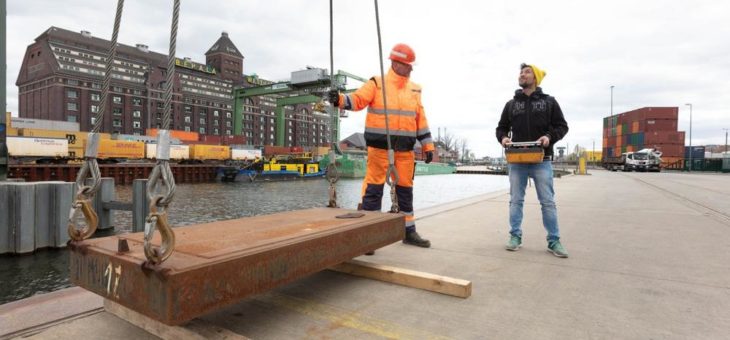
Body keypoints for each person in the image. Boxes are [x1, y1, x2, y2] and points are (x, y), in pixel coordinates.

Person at [329, 43, 434, 248]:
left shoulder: (415, 90)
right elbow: (357, 100)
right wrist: (340, 99)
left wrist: (428, 146)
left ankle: (408, 231)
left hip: (404, 152)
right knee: (373, 191)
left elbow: (420, 119)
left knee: (405, 191)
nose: (411, 68)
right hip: (379, 150)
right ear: (396, 63)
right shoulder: (377, 84)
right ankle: (369, 237)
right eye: (408, 65)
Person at [495, 63, 570, 257]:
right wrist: (503, 138)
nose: (522, 74)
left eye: (527, 72)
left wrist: (549, 137)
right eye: (521, 71)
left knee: (547, 201)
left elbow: (562, 126)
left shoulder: (549, 102)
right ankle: (515, 236)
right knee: (516, 200)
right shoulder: (511, 105)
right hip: (517, 160)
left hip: (542, 160)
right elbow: (501, 128)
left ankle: (554, 240)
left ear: (535, 78)